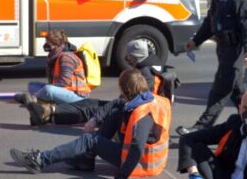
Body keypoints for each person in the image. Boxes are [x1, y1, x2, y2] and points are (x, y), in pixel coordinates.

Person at [10, 69, 171, 179]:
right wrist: (95, 119)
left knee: (89, 140)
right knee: (114, 112)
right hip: (140, 157)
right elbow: (115, 103)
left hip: (141, 163)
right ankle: (85, 158)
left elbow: (136, 147)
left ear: (125, 89)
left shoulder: (142, 115)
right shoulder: (142, 98)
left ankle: (39, 160)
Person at [176, 0, 247, 136]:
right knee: (239, 94)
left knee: (219, 92)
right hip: (223, 49)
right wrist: (195, 41)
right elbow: (210, 22)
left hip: (235, 50)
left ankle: (201, 128)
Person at [25, 39, 168, 126]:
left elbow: (139, 99)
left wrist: (107, 111)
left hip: (134, 112)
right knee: (88, 104)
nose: (126, 59)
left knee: (88, 110)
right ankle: (47, 115)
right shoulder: (150, 67)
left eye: (128, 56)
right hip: (131, 108)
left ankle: (48, 114)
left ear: (134, 56)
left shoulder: (145, 73)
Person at [15, 29, 90, 106]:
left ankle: (34, 99)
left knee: (48, 89)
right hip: (64, 91)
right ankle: (43, 99)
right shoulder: (55, 56)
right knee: (32, 85)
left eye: (47, 42)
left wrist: (47, 89)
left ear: (56, 43)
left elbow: (65, 82)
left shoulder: (66, 57)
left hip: (77, 96)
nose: (45, 44)